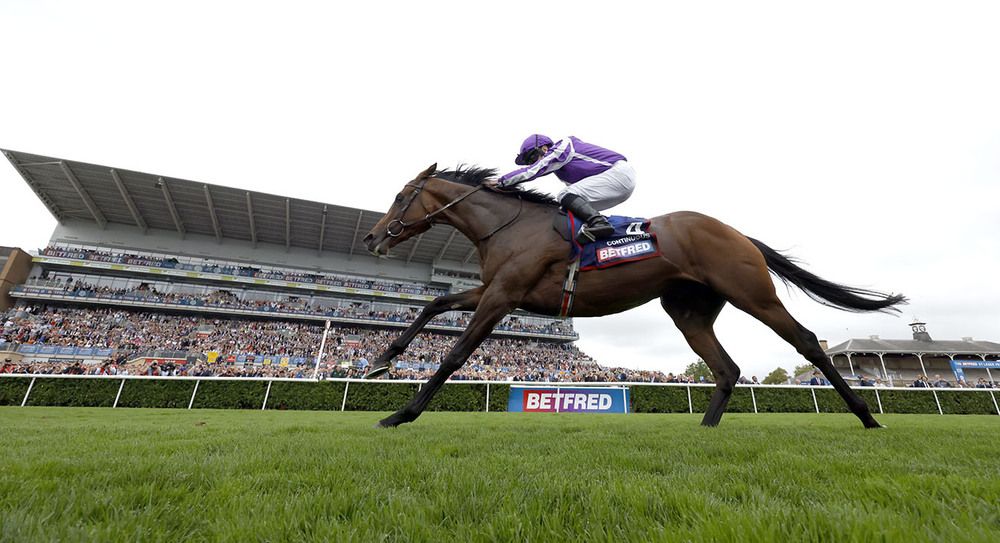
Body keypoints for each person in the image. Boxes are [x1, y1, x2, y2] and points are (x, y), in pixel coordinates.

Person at [490, 134, 636, 243]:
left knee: (565, 194)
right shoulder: (563, 173)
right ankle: (602, 235)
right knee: (568, 207)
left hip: (619, 173)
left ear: (544, 148)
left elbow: (534, 170)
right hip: (618, 186)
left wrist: (502, 181)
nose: (532, 162)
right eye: (528, 161)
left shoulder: (564, 145)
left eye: (532, 156)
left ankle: (600, 223)